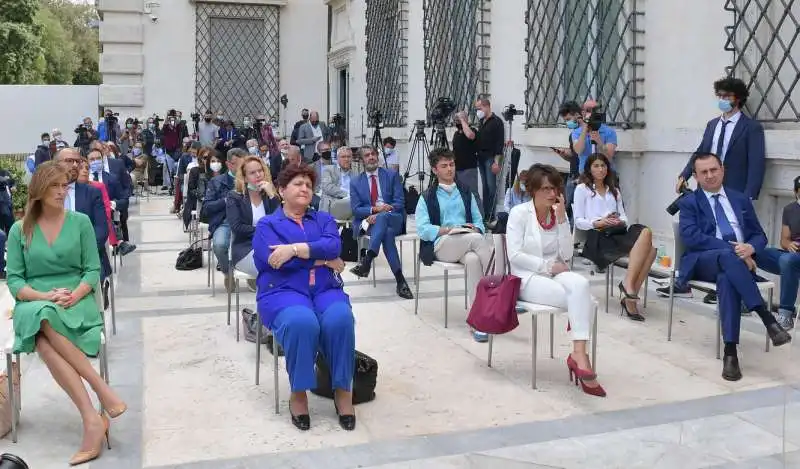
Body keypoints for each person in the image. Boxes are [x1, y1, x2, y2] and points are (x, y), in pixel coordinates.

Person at [6, 161, 127, 465]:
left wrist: (75, 294)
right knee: (42, 314)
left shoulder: (81, 222)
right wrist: (43, 295)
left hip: (76, 298)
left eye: (65, 186)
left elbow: (91, 269)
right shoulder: (19, 229)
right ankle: (99, 396)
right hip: (34, 300)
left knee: (44, 341)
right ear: (38, 190)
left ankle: (91, 419)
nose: (61, 192)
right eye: (54, 186)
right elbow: (15, 281)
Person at [253, 163, 355, 431]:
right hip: (282, 292)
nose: (305, 189)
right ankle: (299, 393)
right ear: (281, 190)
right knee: (302, 322)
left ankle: (343, 389)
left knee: (340, 319)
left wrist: (295, 249)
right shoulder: (268, 224)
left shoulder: (323, 219)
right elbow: (274, 261)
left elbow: (334, 245)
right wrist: (324, 260)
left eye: (309, 185)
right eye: (298, 184)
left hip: (324, 289)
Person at [676, 152, 791, 381]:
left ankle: (731, 353)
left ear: (722, 170)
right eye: (703, 172)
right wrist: (737, 252)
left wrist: (749, 248)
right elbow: (692, 237)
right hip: (702, 261)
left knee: (728, 279)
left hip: (734, 264)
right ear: (696, 177)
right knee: (728, 259)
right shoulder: (688, 203)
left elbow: (759, 235)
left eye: (713, 170)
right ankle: (767, 318)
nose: (710, 176)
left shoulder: (739, 199)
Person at [505, 163, 605, 397]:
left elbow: (568, 254)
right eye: (547, 189)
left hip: (557, 274)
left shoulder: (557, 214)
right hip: (528, 278)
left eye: (556, 189)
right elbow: (514, 254)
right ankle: (580, 356)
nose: (553, 194)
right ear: (533, 190)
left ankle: (578, 351)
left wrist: (561, 221)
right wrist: (547, 265)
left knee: (581, 285)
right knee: (583, 301)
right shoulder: (519, 214)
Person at [415, 148, 494, 342]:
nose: (449, 169)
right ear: (435, 170)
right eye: (444, 166)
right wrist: (447, 230)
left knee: (474, 260)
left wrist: (471, 227)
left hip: (465, 241)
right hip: (441, 245)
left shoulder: (466, 193)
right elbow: (423, 230)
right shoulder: (427, 196)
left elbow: (479, 222)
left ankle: (479, 322)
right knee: (475, 240)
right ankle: (501, 289)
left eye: (452, 165)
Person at [572, 153, 656, 321]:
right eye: (596, 165)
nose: (601, 169)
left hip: (616, 232)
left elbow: (625, 217)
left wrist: (616, 219)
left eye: (603, 165)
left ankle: (628, 288)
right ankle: (629, 294)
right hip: (598, 237)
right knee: (651, 250)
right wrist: (599, 222)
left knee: (647, 237)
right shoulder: (582, 189)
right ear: (589, 168)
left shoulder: (614, 190)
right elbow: (579, 221)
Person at [349, 145, 413, 300]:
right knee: (387, 233)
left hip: (393, 218)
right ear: (362, 160)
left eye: (373, 154)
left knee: (384, 219)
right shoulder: (356, 182)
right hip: (370, 222)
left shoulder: (391, 175)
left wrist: (382, 212)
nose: (371, 157)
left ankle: (367, 261)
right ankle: (400, 281)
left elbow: (400, 202)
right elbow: (356, 209)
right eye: (367, 155)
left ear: (377, 157)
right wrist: (374, 210)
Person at [754, 175, 800, 329]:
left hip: (792, 260)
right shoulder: (790, 210)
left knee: (788, 261)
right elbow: (784, 240)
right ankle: (749, 300)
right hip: (791, 254)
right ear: (795, 192)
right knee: (753, 252)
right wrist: (789, 244)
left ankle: (786, 315)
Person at [226, 156, 280, 280]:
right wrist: (264, 230)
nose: (258, 175)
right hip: (246, 248)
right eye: (252, 173)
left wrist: (272, 194)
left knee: (289, 268)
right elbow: (237, 227)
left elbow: (281, 222)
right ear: (244, 178)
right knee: (273, 273)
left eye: (260, 171)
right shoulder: (235, 197)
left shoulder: (269, 195)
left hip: (272, 246)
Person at [203, 148, 246, 291]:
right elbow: (207, 207)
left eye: (244, 165)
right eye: (238, 165)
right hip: (225, 221)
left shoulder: (251, 179)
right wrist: (226, 200)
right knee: (220, 245)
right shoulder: (216, 182)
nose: (242, 169)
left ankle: (253, 272)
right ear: (229, 164)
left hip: (247, 221)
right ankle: (228, 272)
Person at [473, 97, 505, 218]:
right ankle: (486, 214)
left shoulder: (497, 122)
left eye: (479, 108)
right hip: (480, 157)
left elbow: (499, 143)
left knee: (492, 188)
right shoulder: (481, 122)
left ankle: (491, 214)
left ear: (487, 106)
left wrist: (497, 162)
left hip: (491, 158)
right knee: (485, 188)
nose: (478, 111)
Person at [320, 146, 359, 220]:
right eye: (343, 157)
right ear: (337, 159)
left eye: (349, 157)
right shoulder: (328, 170)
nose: (346, 159)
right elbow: (327, 187)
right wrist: (347, 194)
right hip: (333, 204)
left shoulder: (356, 173)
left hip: (351, 206)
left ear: (352, 159)